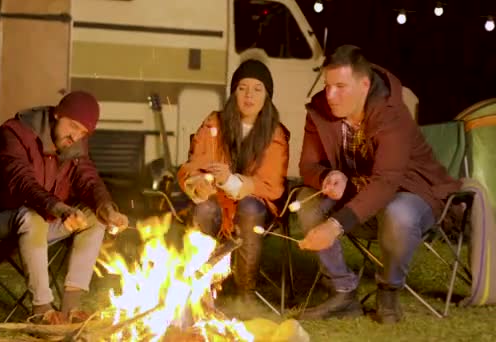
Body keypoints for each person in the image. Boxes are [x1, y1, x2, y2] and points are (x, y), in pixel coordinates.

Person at [296, 45, 461, 323]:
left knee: (399, 213)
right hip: (358, 194)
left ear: (364, 84)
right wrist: (327, 176)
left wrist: (335, 225)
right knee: (308, 202)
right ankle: (342, 289)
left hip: (411, 191)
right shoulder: (319, 111)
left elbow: (387, 181)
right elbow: (307, 166)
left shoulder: (392, 113)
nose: (331, 95)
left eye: (340, 86)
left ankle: (388, 289)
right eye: (327, 86)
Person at [0, 91, 129, 324]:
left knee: (95, 218)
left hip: (40, 227)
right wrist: (60, 209)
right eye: (73, 126)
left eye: (83, 132)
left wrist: (107, 209)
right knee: (31, 217)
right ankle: (42, 310)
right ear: (57, 114)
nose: (76, 137)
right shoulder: (14, 133)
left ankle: (71, 309)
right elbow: (22, 182)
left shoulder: (74, 146)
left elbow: (89, 180)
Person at [177, 59, 290, 301]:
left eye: (257, 89)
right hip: (219, 204)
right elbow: (195, 164)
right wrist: (198, 182)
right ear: (233, 92)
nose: (249, 96)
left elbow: (269, 184)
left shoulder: (275, 134)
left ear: (267, 95)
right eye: (242, 88)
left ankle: (245, 291)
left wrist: (231, 181)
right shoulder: (214, 124)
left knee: (249, 207)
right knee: (205, 207)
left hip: (256, 208)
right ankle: (200, 288)